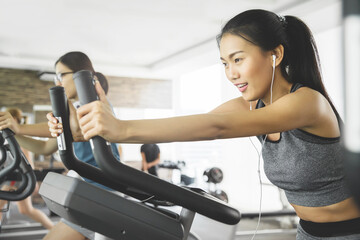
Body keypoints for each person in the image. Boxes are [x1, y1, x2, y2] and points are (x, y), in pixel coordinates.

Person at [47, 9, 360, 239]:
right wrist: (105, 125)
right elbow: (203, 123)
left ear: (275, 54)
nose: (231, 73)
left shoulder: (307, 102)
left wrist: (121, 129)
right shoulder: (252, 105)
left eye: (238, 59)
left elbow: (217, 128)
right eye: (225, 63)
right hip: (308, 233)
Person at [0, 51, 120, 240]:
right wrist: (11, 133)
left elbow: (74, 129)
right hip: (86, 193)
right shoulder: (76, 109)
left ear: (81, 74)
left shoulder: (97, 106)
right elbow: (44, 148)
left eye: (61, 75)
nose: (57, 82)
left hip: (100, 195)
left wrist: (19, 127)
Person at [0, 108, 54, 230]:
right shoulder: (8, 134)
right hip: (11, 176)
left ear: (15, 119)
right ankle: (52, 228)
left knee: (1, 206)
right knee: (26, 210)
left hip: (17, 178)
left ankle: (53, 228)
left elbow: (28, 159)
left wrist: (32, 180)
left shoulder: (17, 134)